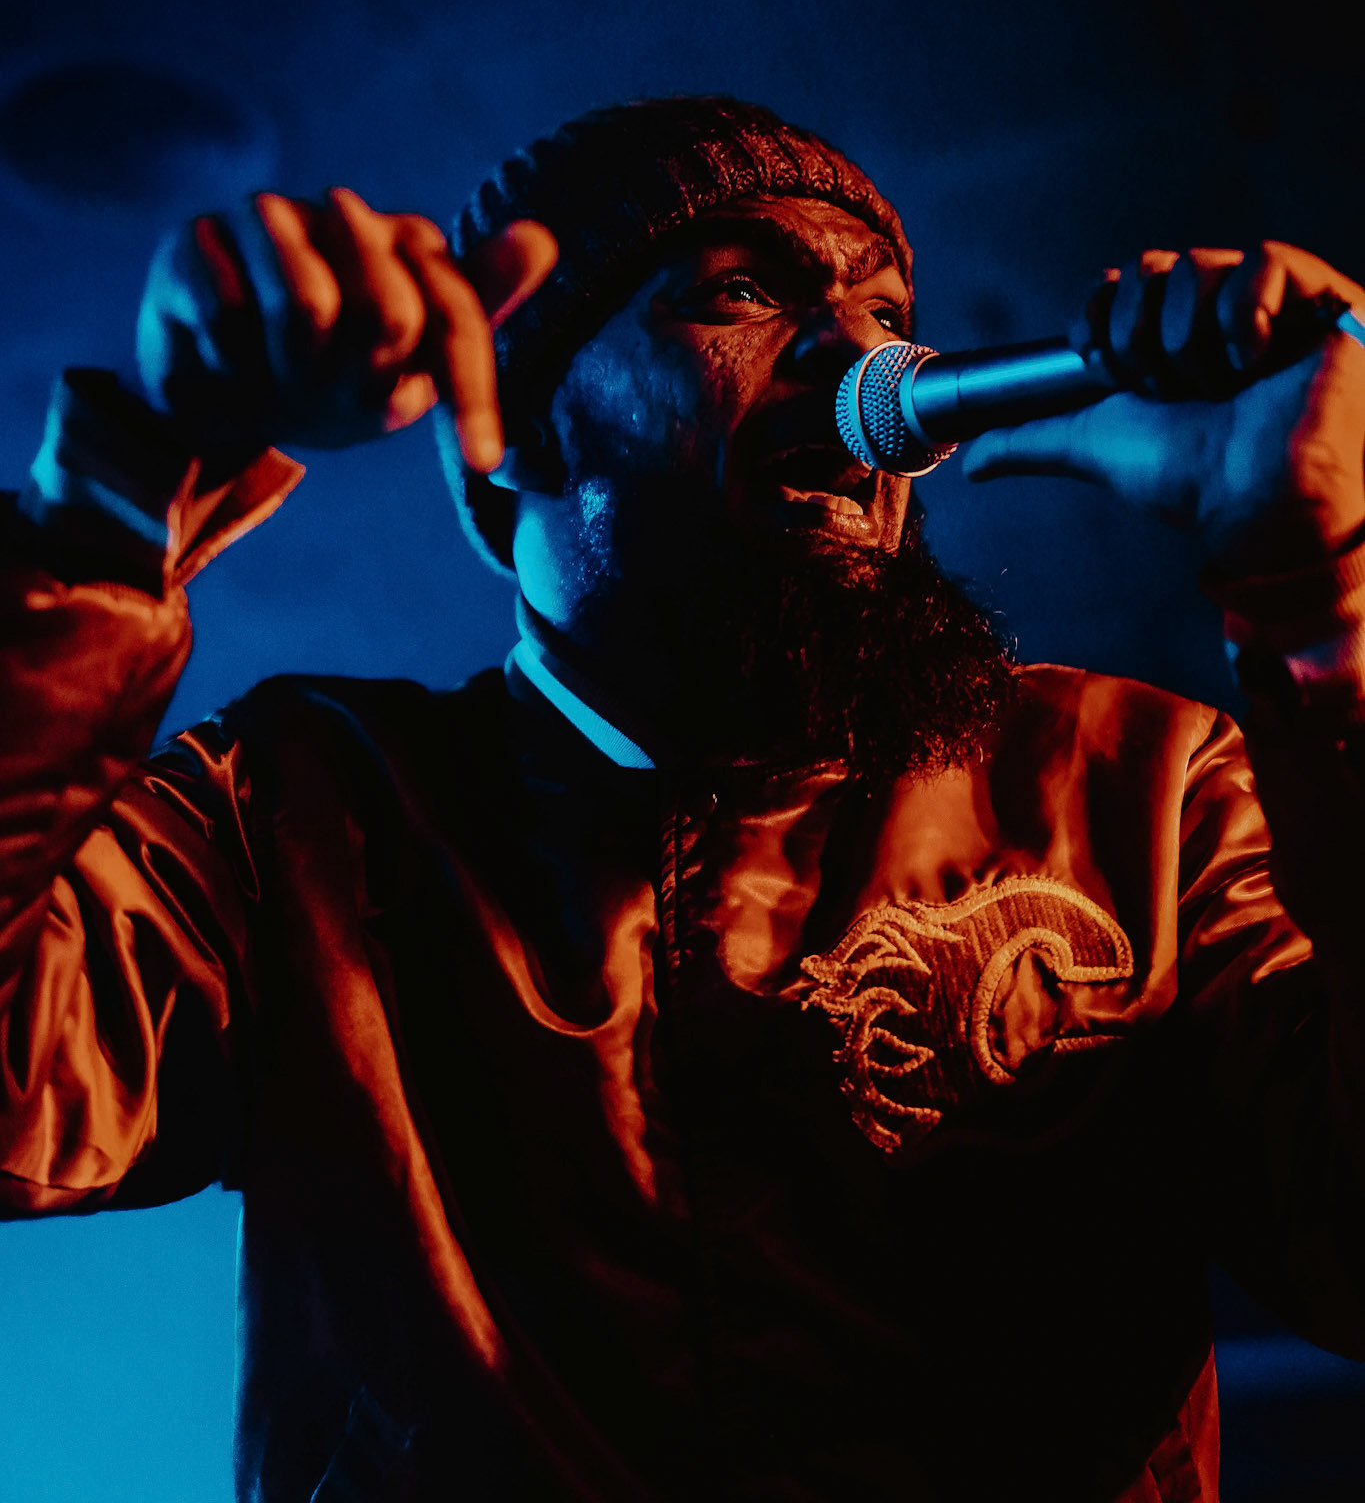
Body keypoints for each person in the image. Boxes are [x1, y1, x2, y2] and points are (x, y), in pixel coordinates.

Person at [3, 95, 1364, 1503]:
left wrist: (1318, 603)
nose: (867, 358)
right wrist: (122, 493)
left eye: (885, 309)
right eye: (740, 294)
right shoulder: (298, 816)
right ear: (515, 432)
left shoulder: (1139, 787)